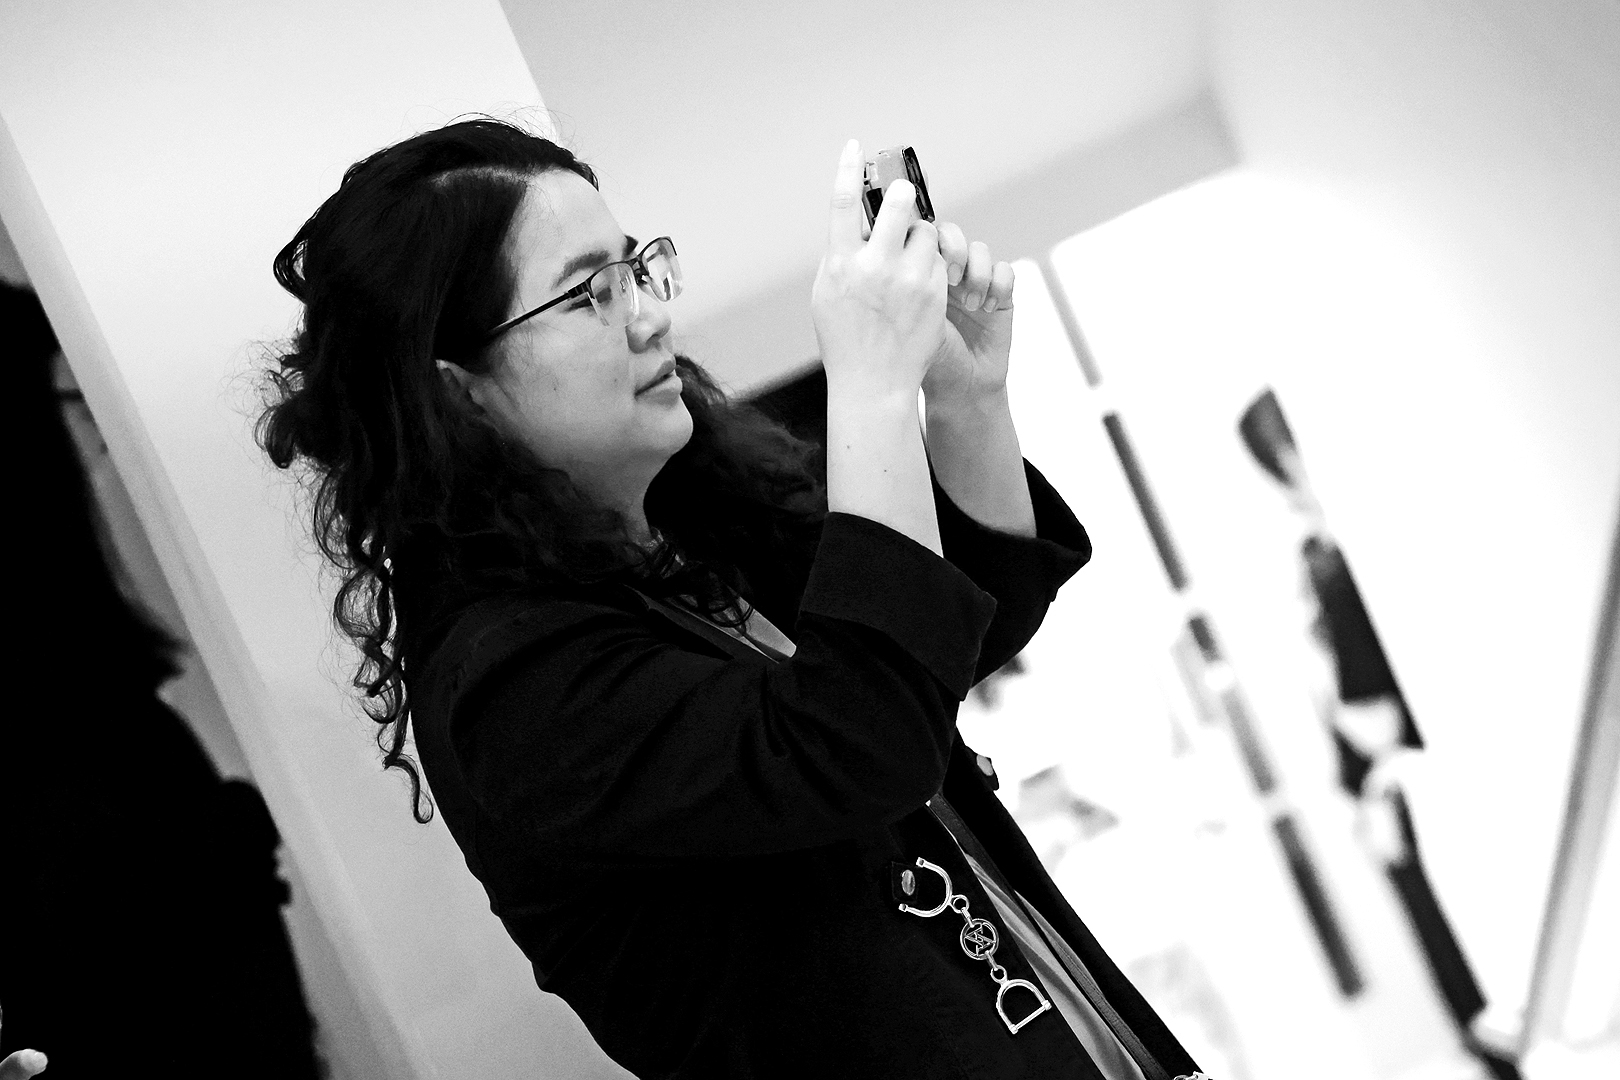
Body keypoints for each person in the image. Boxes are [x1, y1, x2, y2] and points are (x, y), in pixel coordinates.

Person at [259, 117, 1204, 1079]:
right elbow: (858, 740)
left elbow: (947, 630)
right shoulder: (507, 683)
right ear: (459, 392)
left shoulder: (681, 534)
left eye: (635, 270)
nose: (648, 316)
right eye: (589, 293)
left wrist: (964, 397)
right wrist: (869, 389)